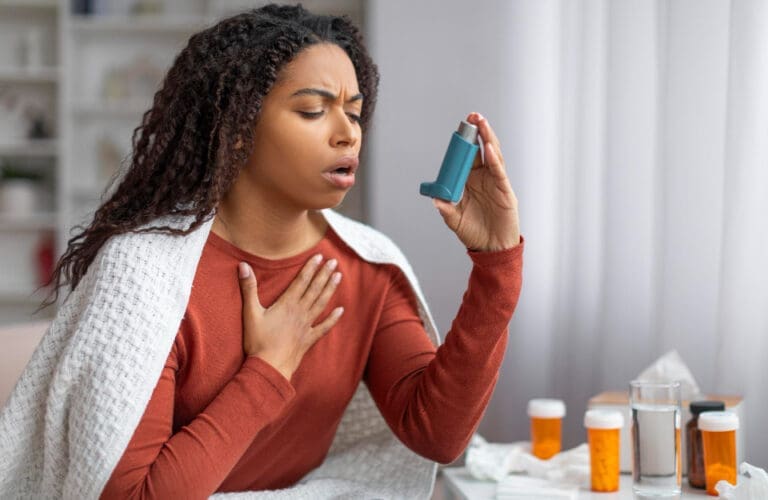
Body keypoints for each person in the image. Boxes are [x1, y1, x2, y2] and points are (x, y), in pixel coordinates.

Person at [0, 4, 522, 498]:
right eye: (314, 110)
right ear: (238, 131)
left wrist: (497, 265)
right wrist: (270, 368)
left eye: (356, 114)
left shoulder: (367, 265)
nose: (348, 135)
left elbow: (437, 434)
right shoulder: (142, 274)